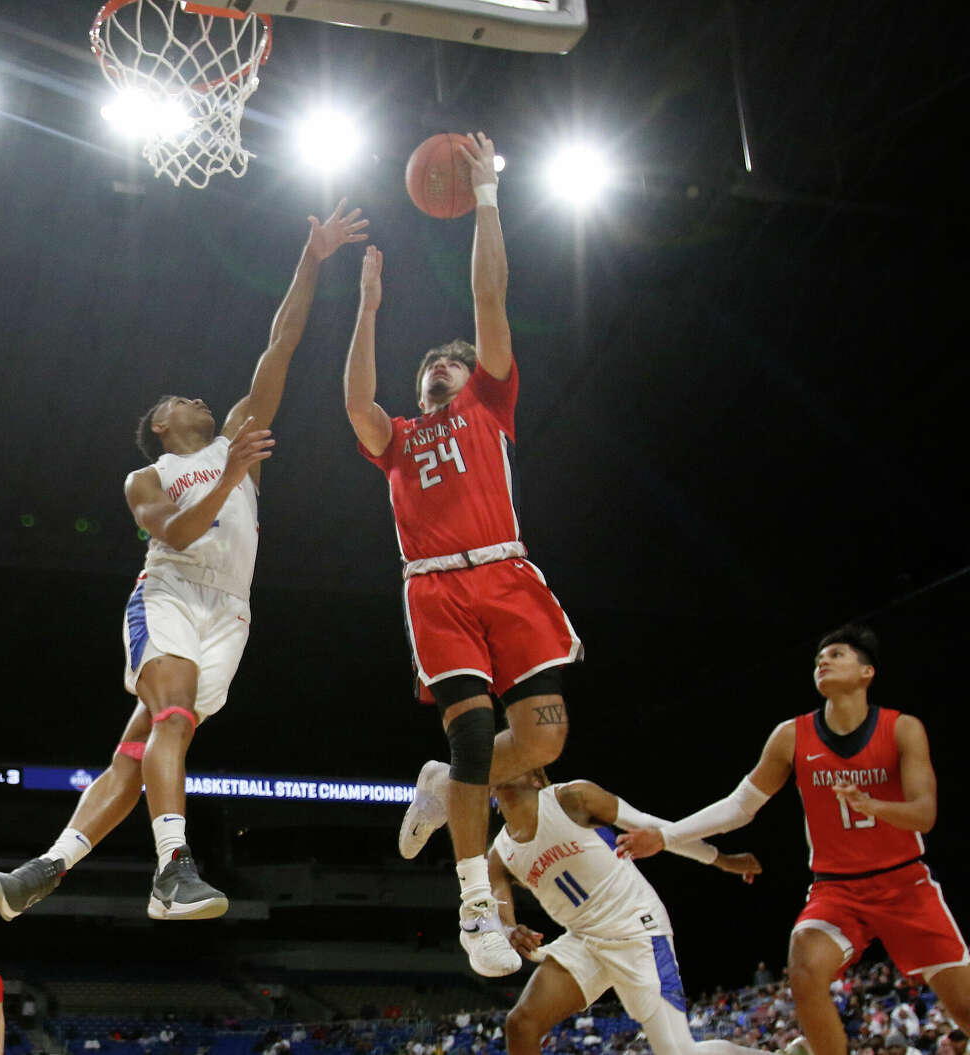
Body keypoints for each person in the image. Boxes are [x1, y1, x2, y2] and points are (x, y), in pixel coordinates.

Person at [0, 200, 368, 921]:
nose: (198, 395)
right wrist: (228, 481)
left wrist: (312, 258)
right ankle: (173, 867)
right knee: (171, 714)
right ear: (163, 425)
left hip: (232, 611)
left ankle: (47, 866)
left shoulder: (235, 437)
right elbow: (181, 536)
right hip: (171, 592)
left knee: (144, 745)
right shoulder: (150, 477)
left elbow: (280, 344)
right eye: (179, 399)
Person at [342, 131, 582, 976]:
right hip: (437, 589)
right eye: (435, 367)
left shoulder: (490, 400)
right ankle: (475, 906)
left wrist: (486, 197)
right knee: (475, 734)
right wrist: (368, 309)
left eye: (454, 362)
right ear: (422, 387)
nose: (446, 370)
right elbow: (357, 399)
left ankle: (442, 788)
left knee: (545, 739)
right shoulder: (400, 438)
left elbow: (491, 294)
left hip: (507, 571)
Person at [616, 624, 970, 1055]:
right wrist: (665, 836)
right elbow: (740, 806)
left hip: (905, 884)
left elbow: (925, 814)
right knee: (803, 964)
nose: (823, 660)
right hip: (837, 889)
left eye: (837, 654)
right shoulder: (792, 735)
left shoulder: (902, 729)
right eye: (820, 656)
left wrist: (874, 806)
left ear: (867, 673)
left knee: (964, 1008)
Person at [489, 768, 764, 1055]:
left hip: (634, 923)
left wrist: (722, 860)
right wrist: (508, 930)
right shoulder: (499, 855)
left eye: (513, 761)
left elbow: (651, 826)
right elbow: (499, 908)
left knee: (679, 1052)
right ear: (490, 791)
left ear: (536, 779)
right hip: (584, 938)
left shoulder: (570, 798)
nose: (504, 765)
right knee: (521, 1025)